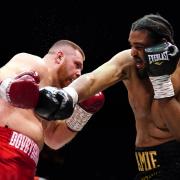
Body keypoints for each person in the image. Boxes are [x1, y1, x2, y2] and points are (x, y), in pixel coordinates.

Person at [40, 14, 180, 179]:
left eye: (140, 46)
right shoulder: (129, 62)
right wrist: (67, 94)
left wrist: (162, 83)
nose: (133, 52)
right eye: (131, 45)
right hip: (145, 165)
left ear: (162, 45)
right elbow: (93, 79)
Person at [0, 40, 105, 180]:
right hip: (4, 148)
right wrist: (9, 87)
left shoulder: (56, 100)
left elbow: (54, 140)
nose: (79, 73)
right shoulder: (35, 63)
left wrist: (84, 112)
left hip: (27, 163)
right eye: (77, 65)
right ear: (59, 57)